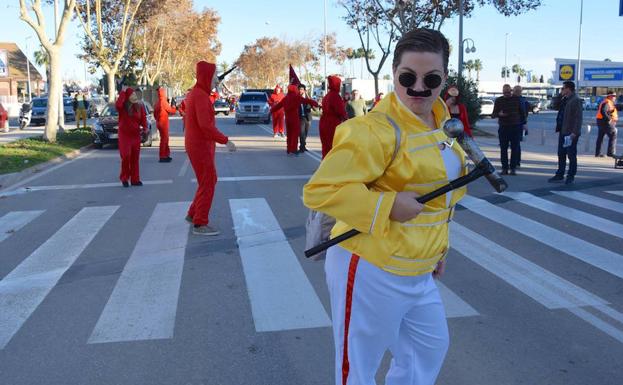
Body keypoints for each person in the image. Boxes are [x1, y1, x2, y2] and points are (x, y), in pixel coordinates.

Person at [304, 28, 467, 385]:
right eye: (408, 77)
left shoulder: (442, 125)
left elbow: (440, 201)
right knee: (357, 367)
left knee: (427, 350)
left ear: (445, 79)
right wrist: (387, 204)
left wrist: (438, 250)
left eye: (432, 78)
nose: (419, 88)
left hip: (418, 267)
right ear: (393, 74)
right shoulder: (373, 129)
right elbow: (320, 191)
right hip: (369, 266)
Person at [184, 61, 237, 236]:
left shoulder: (198, 93)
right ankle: (200, 223)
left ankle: (193, 214)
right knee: (208, 182)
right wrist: (225, 140)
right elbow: (206, 126)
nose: (216, 79)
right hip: (200, 145)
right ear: (207, 76)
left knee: (207, 181)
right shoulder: (199, 95)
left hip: (199, 144)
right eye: (214, 76)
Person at [549, 81, 583, 185]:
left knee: (571, 155)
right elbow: (554, 106)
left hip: (570, 133)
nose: (561, 90)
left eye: (563, 88)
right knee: (561, 154)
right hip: (563, 131)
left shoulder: (576, 100)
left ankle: (570, 176)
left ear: (568, 89)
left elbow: (578, 118)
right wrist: (559, 96)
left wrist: (574, 132)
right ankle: (560, 174)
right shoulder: (565, 99)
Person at [270, 84, 319, 156]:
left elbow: (278, 106)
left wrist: (270, 111)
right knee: (294, 135)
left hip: (287, 119)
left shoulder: (285, 99)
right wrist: (316, 103)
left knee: (289, 134)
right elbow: (306, 100)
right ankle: (293, 149)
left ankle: (289, 149)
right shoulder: (296, 98)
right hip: (294, 119)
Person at [115, 87, 148, 187]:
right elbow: (118, 105)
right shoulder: (123, 107)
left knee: (135, 158)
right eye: (131, 94)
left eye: (134, 94)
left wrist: (145, 128)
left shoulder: (139, 106)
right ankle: (124, 177)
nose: (134, 96)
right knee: (126, 156)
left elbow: (143, 119)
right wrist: (123, 93)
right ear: (127, 97)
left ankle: (135, 179)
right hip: (124, 135)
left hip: (135, 135)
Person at [492, 84, 525, 175]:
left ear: (511, 91)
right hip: (504, 127)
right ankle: (504, 168)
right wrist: (499, 114)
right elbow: (493, 114)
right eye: (504, 92)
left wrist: (523, 124)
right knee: (503, 148)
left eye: (508, 92)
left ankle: (513, 168)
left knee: (515, 148)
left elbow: (523, 113)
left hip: (515, 127)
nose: (506, 94)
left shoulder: (517, 99)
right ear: (502, 92)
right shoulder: (499, 100)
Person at [319, 75, 348, 158]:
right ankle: (330, 166)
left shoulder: (327, 96)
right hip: (332, 123)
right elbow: (341, 111)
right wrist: (347, 120)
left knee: (325, 146)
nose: (341, 86)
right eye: (339, 84)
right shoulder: (335, 96)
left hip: (324, 122)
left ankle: (324, 164)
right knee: (332, 146)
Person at [154, 87, 177, 163]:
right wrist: (174, 105)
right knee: (164, 140)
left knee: (164, 139)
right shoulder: (163, 102)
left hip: (159, 122)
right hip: (163, 122)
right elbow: (172, 111)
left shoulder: (157, 102)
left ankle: (166, 155)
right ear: (164, 93)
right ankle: (163, 156)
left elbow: (155, 114)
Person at [595, 92, 618, 157]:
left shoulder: (608, 102)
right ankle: (610, 153)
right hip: (605, 122)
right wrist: (609, 119)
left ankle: (598, 153)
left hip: (601, 121)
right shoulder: (607, 102)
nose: (615, 97)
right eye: (614, 96)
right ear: (609, 96)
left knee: (600, 137)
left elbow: (607, 111)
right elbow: (603, 111)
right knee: (613, 134)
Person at [513, 85, 529, 167]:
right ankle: (516, 161)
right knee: (516, 144)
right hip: (515, 124)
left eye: (518, 91)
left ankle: (516, 161)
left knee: (516, 144)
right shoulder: (523, 100)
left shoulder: (523, 101)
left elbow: (525, 114)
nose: (516, 92)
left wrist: (524, 123)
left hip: (519, 125)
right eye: (515, 91)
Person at [298, 84, 313, 152]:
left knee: (306, 133)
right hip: (301, 117)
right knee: (301, 133)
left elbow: (313, 106)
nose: (300, 91)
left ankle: (303, 145)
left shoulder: (307, 98)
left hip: (308, 117)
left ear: (304, 90)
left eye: (302, 89)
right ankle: (302, 146)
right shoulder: (297, 98)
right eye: (299, 89)